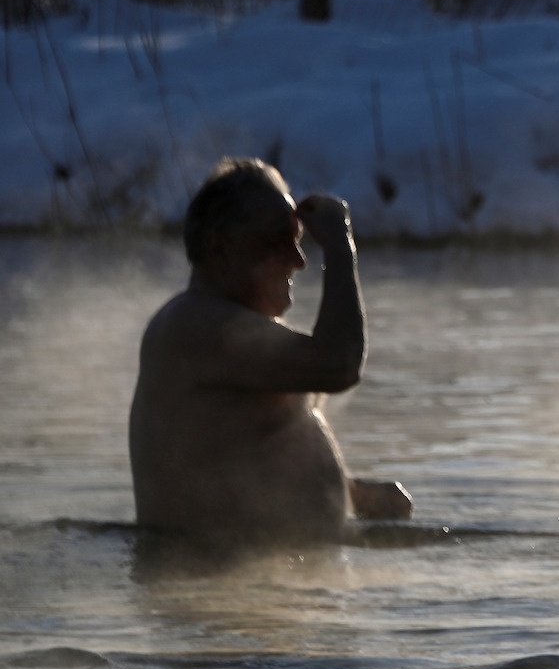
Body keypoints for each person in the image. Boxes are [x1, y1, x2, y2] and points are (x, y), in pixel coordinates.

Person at [130, 158, 411, 547]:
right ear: (220, 248)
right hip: (211, 586)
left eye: (298, 241)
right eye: (277, 242)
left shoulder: (237, 334)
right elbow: (339, 364)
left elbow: (251, 455)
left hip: (278, 577)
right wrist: (339, 245)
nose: (299, 261)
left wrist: (356, 496)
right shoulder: (193, 326)